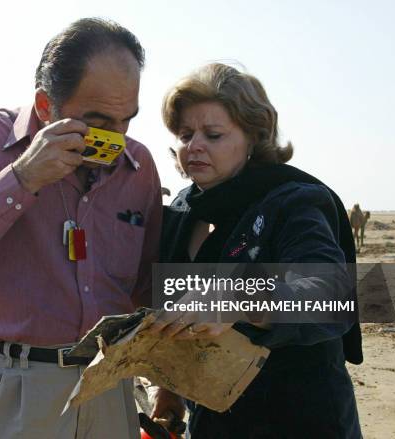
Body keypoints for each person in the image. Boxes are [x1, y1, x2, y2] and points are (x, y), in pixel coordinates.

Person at [0, 18, 162, 439]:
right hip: (11, 387)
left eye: (127, 121)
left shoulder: (138, 167)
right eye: (99, 122)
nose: (116, 139)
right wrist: (23, 177)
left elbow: (147, 286)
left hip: (108, 387)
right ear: (47, 106)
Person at [147, 63, 363, 438]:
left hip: (302, 418)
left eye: (213, 134)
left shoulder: (294, 202)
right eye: (185, 135)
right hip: (216, 420)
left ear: (253, 137)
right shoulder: (183, 211)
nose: (194, 146)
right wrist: (169, 395)